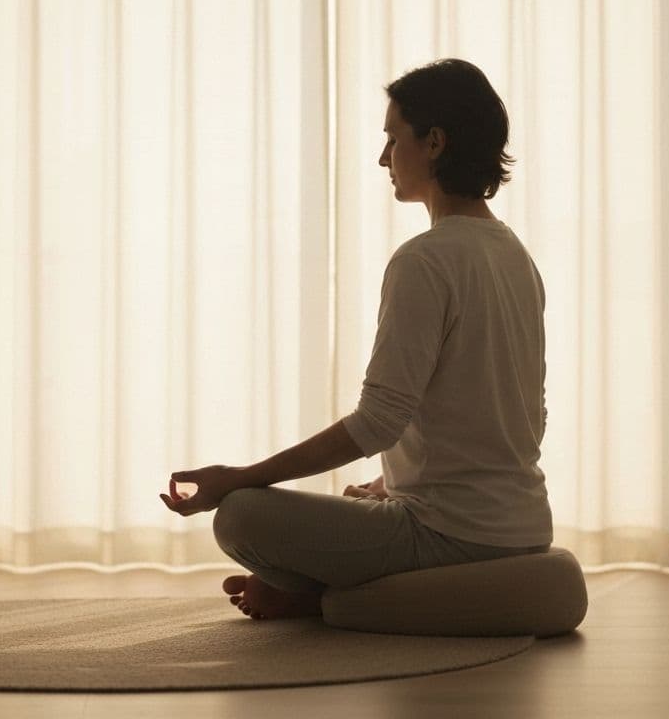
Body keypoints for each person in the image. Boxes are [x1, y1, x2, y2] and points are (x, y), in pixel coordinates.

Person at [160, 58, 553, 620]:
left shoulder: (425, 260)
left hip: (449, 535)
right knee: (357, 495)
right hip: (523, 525)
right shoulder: (514, 255)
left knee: (241, 515)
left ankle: (311, 594)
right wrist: (388, 484)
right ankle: (314, 582)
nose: (383, 157)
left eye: (393, 139)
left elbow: (376, 423)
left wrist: (237, 479)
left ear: (435, 142)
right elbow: (523, 420)